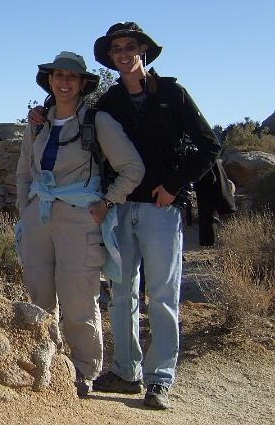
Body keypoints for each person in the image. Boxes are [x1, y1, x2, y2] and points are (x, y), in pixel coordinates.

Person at [87, 23, 221, 409]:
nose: (124, 53)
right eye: (117, 48)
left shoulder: (173, 94)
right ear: (111, 57)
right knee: (122, 292)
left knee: (162, 295)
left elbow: (209, 145)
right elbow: (78, 119)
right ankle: (126, 372)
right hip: (121, 206)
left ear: (143, 51)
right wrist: (42, 117)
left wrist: (175, 185)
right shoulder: (109, 101)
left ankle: (160, 378)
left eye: (130, 46)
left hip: (162, 208)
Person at [15, 51, 144, 398]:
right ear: (50, 81)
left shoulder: (96, 121)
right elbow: (25, 169)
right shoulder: (38, 122)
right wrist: (23, 209)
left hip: (79, 217)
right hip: (38, 217)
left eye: (72, 77)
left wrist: (107, 202)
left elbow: (133, 168)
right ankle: (49, 363)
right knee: (39, 296)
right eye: (58, 75)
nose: (65, 81)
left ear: (83, 83)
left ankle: (85, 371)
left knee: (78, 300)